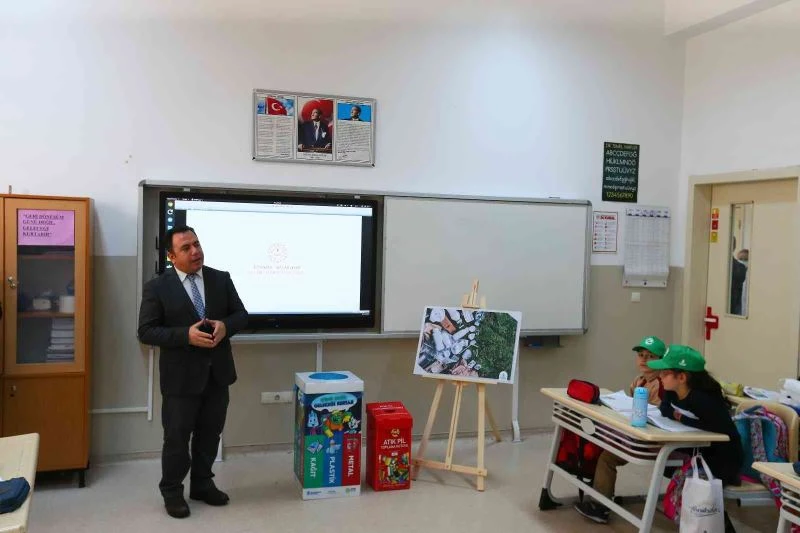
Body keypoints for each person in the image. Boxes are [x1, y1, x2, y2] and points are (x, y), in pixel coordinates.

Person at [138, 225, 248, 519]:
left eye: (197, 244)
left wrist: (226, 326)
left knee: (210, 434)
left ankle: (202, 484)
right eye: (186, 248)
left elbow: (241, 315)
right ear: (172, 256)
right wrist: (185, 335)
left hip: (217, 374)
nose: (195, 251)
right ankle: (172, 491)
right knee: (177, 439)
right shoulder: (157, 287)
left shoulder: (220, 279)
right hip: (180, 379)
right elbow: (146, 331)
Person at [647, 345, 743, 533]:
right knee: (663, 462)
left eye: (665, 373)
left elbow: (718, 429)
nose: (660, 377)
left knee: (694, 488)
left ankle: (715, 526)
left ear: (682, 377)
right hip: (696, 450)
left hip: (722, 458)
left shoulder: (703, 399)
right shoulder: (672, 391)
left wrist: (681, 418)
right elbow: (665, 409)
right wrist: (681, 417)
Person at [573, 335, 667, 524]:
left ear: (661, 361)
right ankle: (599, 491)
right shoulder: (639, 380)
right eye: (641, 355)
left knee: (607, 457)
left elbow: (655, 418)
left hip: (649, 442)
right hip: (635, 434)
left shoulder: (661, 385)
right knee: (599, 440)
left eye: (650, 356)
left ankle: (601, 506)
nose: (644, 359)